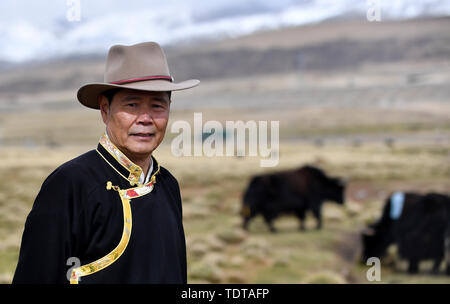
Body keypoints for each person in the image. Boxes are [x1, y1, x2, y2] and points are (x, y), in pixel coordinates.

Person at [12, 42, 199, 284]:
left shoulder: (167, 184)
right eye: (132, 105)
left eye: (157, 105)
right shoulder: (70, 184)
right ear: (104, 109)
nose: (145, 119)